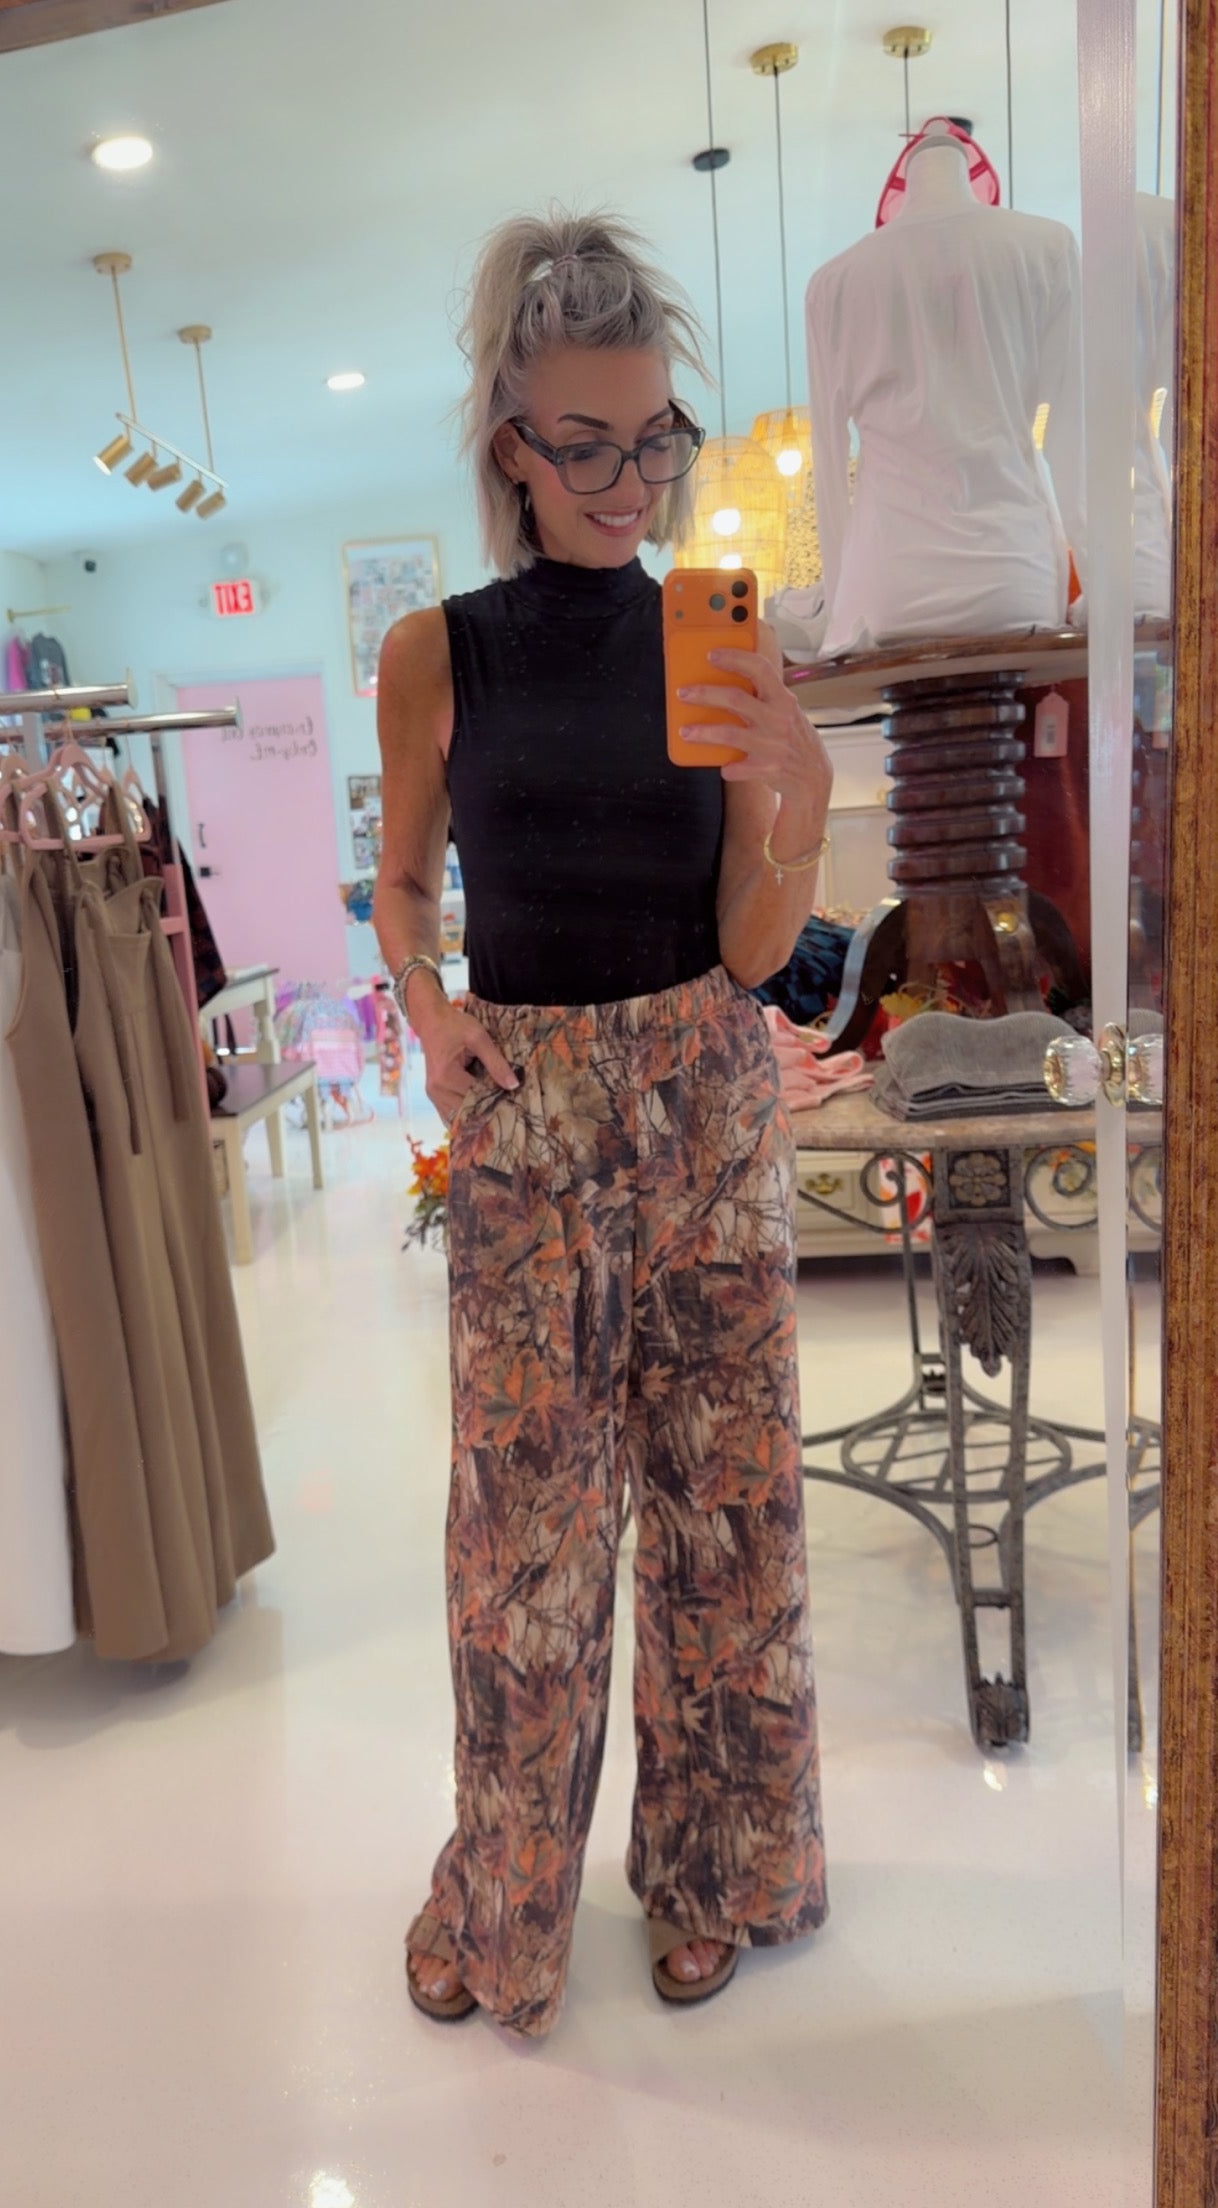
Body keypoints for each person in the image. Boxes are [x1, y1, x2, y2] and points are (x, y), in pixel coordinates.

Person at [374, 209, 833, 2039]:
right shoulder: (437, 654)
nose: (632, 483)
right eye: (587, 446)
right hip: (529, 1127)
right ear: (508, 441)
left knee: (726, 1519)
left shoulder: (711, 642)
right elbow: (400, 886)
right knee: (524, 1551)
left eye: (657, 441)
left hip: (704, 1102)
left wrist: (796, 798)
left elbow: (750, 952)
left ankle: (716, 1873)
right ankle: (502, 1899)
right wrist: (425, 1015)